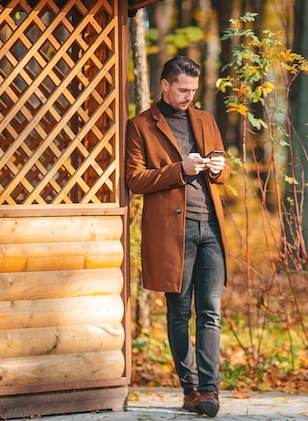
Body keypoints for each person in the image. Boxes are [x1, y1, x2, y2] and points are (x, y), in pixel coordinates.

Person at [125, 56, 230, 418]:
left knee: (211, 312)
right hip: (173, 232)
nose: (189, 97)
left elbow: (224, 169)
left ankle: (210, 388)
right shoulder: (140, 126)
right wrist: (178, 170)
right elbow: (135, 180)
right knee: (179, 311)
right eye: (183, 89)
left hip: (210, 227)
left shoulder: (205, 120)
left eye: (194, 91)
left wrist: (219, 169)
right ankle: (191, 389)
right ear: (165, 85)